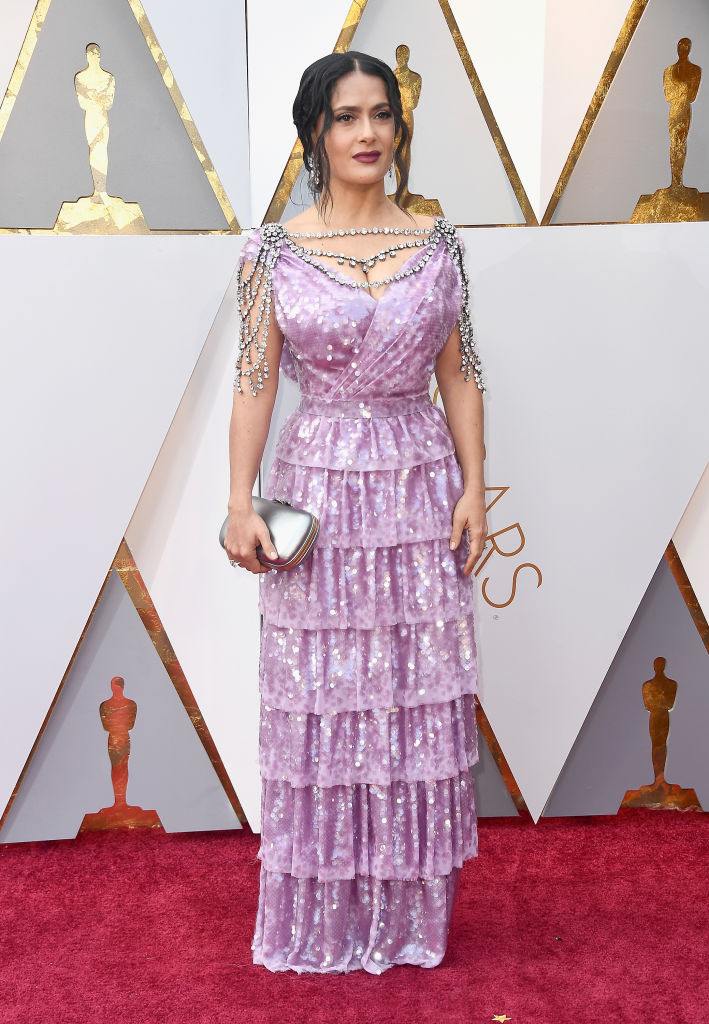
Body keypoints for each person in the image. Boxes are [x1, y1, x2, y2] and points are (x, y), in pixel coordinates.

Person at [224, 50, 487, 975]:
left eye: (381, 114)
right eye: (346, 117)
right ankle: (324, 915)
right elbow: (254, 379)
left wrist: (473, 486)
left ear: (398, 128)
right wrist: (238, 502)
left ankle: (409, 916)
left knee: (413, 692)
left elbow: (460, 372)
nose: (367, 132)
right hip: (319, 493)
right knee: (322, 696)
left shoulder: (439, 244)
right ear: (316, 132)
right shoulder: (272, 252)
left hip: (417, 490)